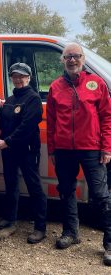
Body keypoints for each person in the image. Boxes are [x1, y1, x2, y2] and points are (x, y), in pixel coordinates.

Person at [47, 42, 111, 266]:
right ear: (63, 61)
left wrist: (107, 147)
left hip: (92, 148)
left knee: (101, 195)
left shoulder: (97, 84)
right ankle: (71, 232)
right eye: (68, 57)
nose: (72, 60)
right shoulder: (55, 86)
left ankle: (109, 243)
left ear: (83, 60)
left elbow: (106, 117)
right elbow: (52, 122)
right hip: (64, 149)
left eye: (76, 56)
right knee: (66, 191)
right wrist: (52, 149)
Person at [0, 62, 47, 243]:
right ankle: (10, 219)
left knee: (35, 187)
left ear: (28, 78)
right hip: (9, 151)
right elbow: (4, 124)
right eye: (15, 76)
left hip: (26, 151)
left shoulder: (33, 99)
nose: (18, 79)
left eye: (22, 76)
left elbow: (26, 127)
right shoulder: (10, 100)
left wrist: (7, 141)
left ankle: (40, 228)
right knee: (11, 185)